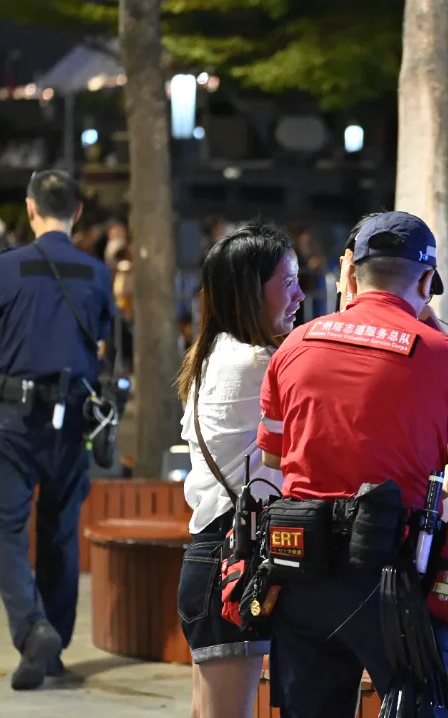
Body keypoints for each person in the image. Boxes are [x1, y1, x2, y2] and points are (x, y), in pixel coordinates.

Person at [257, 210, 448, 718]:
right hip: (394, 578)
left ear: (350, 274)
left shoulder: (296, 344)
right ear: (428, 281)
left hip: (300, 570)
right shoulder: (445, 355)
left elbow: (273, 456)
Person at [0, 170, 114, 690]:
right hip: (72, 420)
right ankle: (53, 648)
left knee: (2, 524)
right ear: (77, 212)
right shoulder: (96, 272)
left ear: (31, 209)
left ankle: (34, 630)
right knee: (59, 530)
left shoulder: (7, 268)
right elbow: (103, 338)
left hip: (14, 420)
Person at [176, 224, 304, 717]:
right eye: (288, 282)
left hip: (211, 558)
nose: (299, 295)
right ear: (250, 291)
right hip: (236, 561)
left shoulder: (210, 355)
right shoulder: (258, 363)